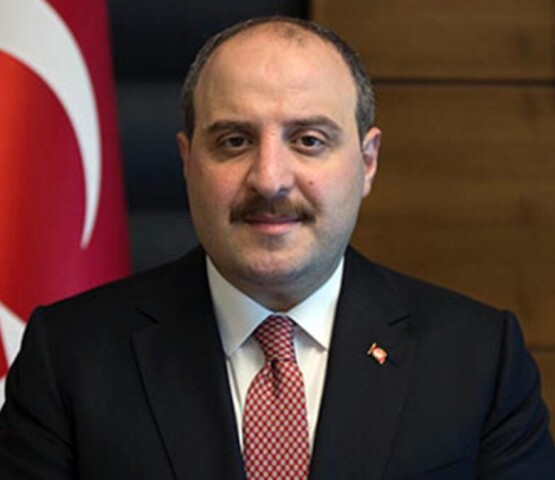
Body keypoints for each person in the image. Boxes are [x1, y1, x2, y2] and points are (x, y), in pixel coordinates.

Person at [1, 15, 554, 480]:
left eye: (308, 140)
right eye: (234, 141)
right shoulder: (69, 357)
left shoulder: (480, 360)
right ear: (187, 161)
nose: (269, 179)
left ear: (367, 162)